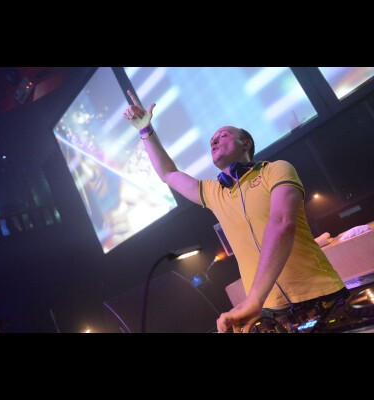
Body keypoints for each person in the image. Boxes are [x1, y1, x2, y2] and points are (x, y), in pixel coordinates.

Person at [123, 90, 349, 333]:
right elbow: (168, 174)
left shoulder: (276, 170)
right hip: (271, 312)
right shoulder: (213, 192)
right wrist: (146, 131)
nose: (214, 141)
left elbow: (282, 223)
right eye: (212, 140)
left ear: (246, 143)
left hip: (321, 297)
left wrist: (253, 300)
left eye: (223, 135)